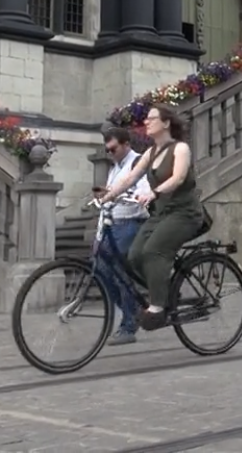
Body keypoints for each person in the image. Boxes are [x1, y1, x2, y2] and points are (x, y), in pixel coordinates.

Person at [97, 104, 204, 331]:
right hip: (162, 213)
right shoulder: (151, 152)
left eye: (152, 118)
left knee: (153, 250)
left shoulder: (180, 149)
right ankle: (162, 289)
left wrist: (154, 192)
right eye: (146, 119)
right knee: (135, 256)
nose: (146, 122)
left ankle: (157, 306)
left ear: (165, 123)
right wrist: (109, 195)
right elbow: (130, 179)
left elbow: (178, 177)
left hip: (184, 213)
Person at [93, 127, 152, 345]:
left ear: (126, 144)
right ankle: (134, 310)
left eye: (113, 149)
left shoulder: (137, 162)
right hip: (111, 223)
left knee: (119, 271)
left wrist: (126, 195)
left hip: (130, 222)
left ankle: (129, 324)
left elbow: (142, 190)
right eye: (107, 150)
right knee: (98, 268)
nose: (110, 153)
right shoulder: (115, 166)